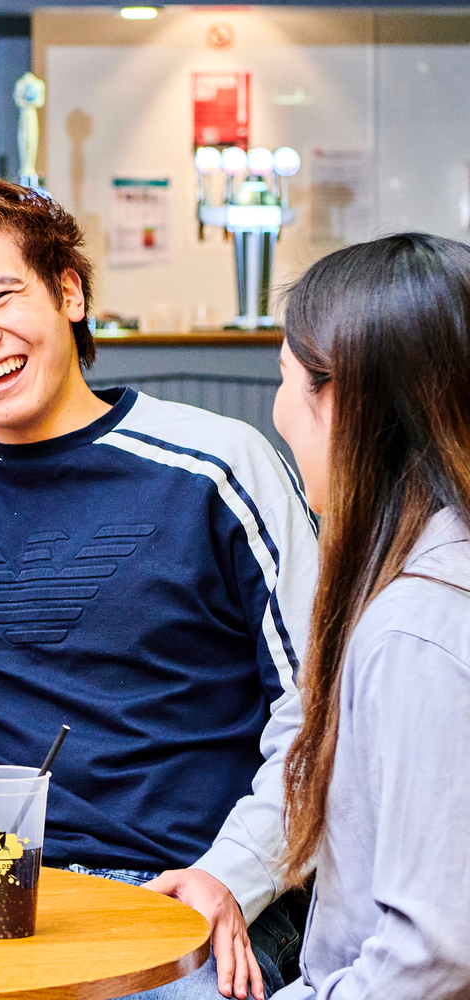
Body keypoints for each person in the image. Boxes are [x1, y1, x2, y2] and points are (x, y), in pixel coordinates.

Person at [0, 180, 316, 1000]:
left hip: (190, 891)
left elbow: (322, 706)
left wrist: (237, 873)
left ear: (70, 293)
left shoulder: (217, 466)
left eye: (0, 297)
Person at [267, 233, 470, 999]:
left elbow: (434, 955)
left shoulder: (418, 627)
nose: (278, 406)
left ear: (345, 399)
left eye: (285, 377)